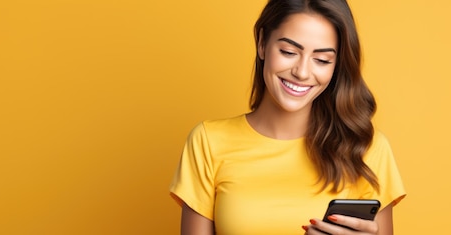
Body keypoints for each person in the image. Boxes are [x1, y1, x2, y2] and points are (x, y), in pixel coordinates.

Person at [169, 0, 406, 234]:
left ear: (337, 66)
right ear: (262, 43)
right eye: (288, 52)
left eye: (322, 60)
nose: (302, 72)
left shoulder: (367, 148)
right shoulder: (208, 142)